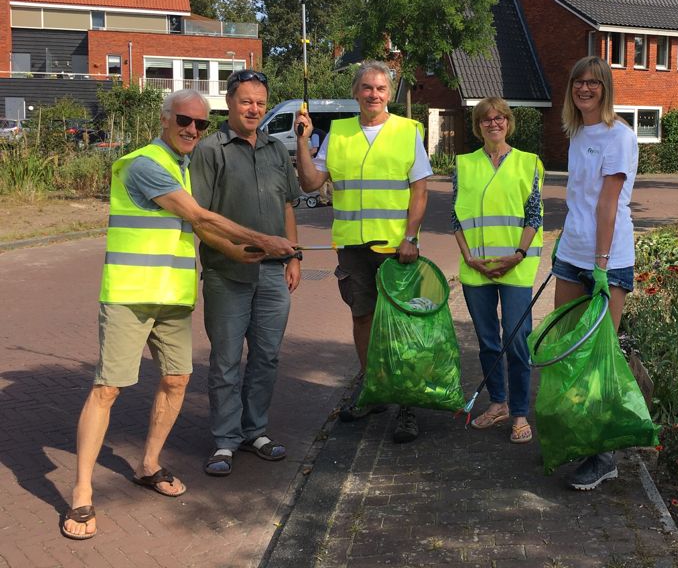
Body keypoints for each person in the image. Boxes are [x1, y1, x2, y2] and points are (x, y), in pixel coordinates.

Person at [61, 89, 296, 540]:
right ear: (165, 119)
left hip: (173, 297)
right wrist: (266, 242)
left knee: (176, 381)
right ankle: (82, 493)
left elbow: (198, 228)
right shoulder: (144, 163)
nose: (192, 130)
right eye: (184, 120)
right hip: (131, 296)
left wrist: (237, 250)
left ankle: (148, 465)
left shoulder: (184, 167)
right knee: (107, 389)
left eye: (201, 124)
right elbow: (198, 213)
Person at [294, 60, 431, 443]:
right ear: (356, 93)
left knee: (402, 325)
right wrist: (303, 141)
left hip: (395, 248)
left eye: (381, 89)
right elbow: (310, 183)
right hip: (353, 248)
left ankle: (406, 405)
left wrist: (412, 238)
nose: (374, 94)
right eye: (367, 88)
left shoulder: (408, 131)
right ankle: (374, 392)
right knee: (363, 320)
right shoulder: (337, 134)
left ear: (390, 94)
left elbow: (420, 190)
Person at [189, 69, 302, 476]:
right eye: (245, 101)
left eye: (260, 102)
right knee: (225, 361)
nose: (254, 109)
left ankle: (255, 431)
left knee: (267, 357)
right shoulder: (209, 150)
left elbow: (288, 205)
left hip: (273, 275)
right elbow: (199, 218)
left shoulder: (275, 149)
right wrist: (232, 250)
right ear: (230, 102)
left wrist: (294, 257)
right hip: (226, 274)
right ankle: (224, 440)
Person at [553, 56, 638, 490]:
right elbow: (579, 200)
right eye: (578, 82)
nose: (585, 89)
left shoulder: (618, 136)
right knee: (567, 347)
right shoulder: (578, 132)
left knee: (599, 356)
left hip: (609, 260)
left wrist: (601, 264)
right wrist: (567, 243)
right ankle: (578, 437)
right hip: (572, 254)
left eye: (593, 83)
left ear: (606, 88)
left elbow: (608, 203)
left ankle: (603, 455)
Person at [453, 98, 544, 444]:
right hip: (476, 268)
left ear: (508, 122)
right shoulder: (463, 164)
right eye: (486, 119)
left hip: (515, 267)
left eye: (500, 117)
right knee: (488, 341)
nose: (494, 123)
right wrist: (469, 256)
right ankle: (499, 403)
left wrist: (518, 254)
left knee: (516, 340)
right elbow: (455, 217)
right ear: (478, 126)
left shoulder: (529, 162)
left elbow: (534, 215)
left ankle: (520, 412)